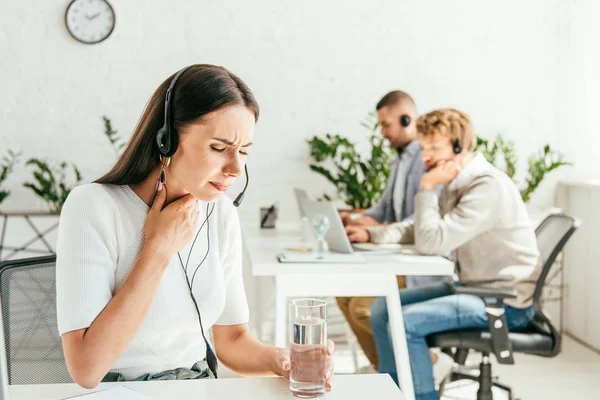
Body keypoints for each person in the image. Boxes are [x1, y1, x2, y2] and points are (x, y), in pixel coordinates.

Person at [56, 64, 335, 390]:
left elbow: (231, 338)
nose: (235, 168)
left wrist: (281, 361)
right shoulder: (93, 206)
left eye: (244, 151)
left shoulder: (220, 214)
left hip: (199, 387)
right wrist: (158, 248)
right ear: (167, 140)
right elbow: (86, 369)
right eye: (219, 148)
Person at [346, 108, 540, 400]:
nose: (426, 156)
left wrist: (426, 186)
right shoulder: (459, 184)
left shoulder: (486, 188)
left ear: (459, 147)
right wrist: (371, 234)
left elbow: (431, 241)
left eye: (435, 148)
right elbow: (419, 228)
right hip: (473, 287)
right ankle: (394, 392)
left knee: (407, 321)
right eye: (424, 148)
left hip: (502, 301)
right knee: (381, 309)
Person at [336, 91, 444, 371]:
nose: (382, 132)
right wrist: (356, 218)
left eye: (386, 125)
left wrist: (374, 232)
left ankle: (411, 366)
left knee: (362, 309)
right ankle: (385, 367)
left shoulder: (426, 158)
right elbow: (383, 210)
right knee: (343, 295)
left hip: (418, 266)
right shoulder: (400, 160)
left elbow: (418, 221)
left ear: (408, 119)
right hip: (397, 256)